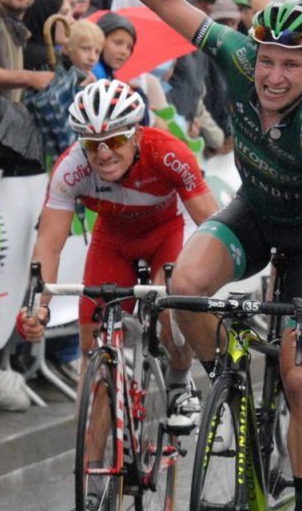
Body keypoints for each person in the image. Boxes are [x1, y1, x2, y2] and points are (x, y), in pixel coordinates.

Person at [86, 0, 302, 511]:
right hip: (255, 213)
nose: (272, 77)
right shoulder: (233, 55)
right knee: (183, 289)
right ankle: (225, 389)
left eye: (290, 66)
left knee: (299, 376)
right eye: (267, 61)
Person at [19, 79, 217, 420]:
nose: (104, 153)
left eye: (115, 139)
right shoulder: (71, 168)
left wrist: (203, 285)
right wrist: (37, 305)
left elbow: (213, 228)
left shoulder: (169, 153)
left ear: (137, 134)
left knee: (168, 307)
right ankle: (93, 471)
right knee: (91, 350)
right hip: (113, 240)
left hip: (166, 232)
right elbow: (49, 244)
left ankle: (179, 382)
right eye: (92, 144)